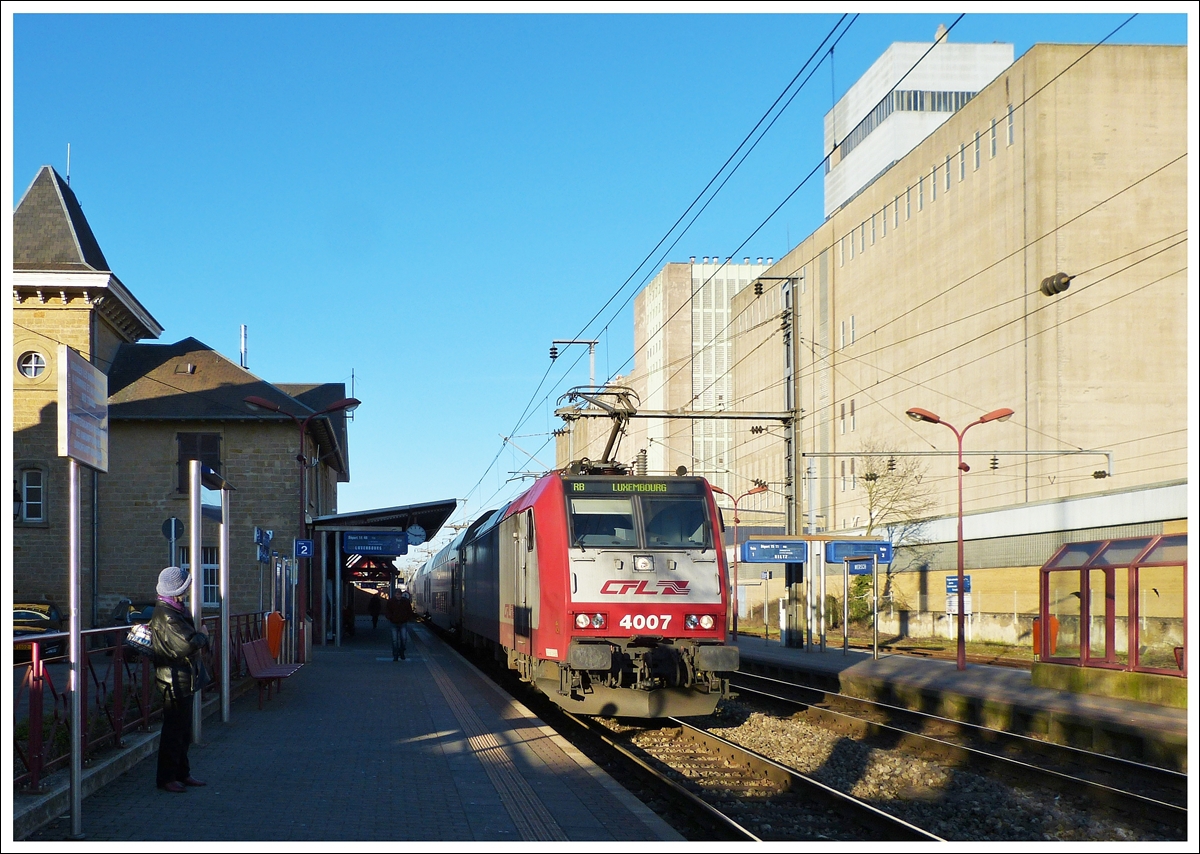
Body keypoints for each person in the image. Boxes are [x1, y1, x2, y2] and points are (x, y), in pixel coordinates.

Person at [149, 566, 209, 793]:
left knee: (182, 730)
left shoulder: (174, 610)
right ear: (177, 590)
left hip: (182, 676)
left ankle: (182, 773)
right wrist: (203, 636)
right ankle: (166, 777)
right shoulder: (167, 614)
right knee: (174, 731)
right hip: (173, 678)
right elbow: (186, 644)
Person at [385, 590, 414, 661]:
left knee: (403, 639)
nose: (399, 596)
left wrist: (407, 618)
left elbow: (409, 611)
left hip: (403, 622)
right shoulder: (391, 602)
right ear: (395, 595)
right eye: (397, 594)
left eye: (400, 594)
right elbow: (387, 611)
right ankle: (395, 655)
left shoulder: (405, 602)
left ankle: (401, 651)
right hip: (393, 623)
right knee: (395, 640)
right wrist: (390, 617)